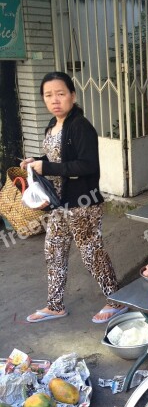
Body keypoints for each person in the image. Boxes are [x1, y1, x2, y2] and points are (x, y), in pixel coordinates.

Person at [21, 71, 128, 324]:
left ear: (73, 95)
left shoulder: (81, 126)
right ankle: (55, 305)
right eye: (48, 95)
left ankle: (117, 301)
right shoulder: (53, 125)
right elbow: (60, 160)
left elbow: (87, 165)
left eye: (60, 93)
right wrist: (39, 162)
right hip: (59, 203)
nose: (54, 100)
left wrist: (47, 168)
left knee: (91, 252)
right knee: (53, 251)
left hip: (83, 203)